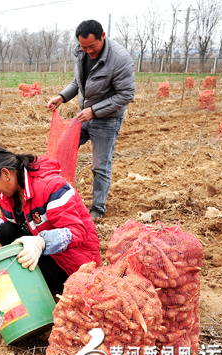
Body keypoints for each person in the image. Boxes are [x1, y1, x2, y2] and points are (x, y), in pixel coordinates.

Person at [0, 147, 101, 294]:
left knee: (19, 253)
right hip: (48, 255)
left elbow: (77, 232)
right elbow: (14, 221)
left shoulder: (51, 186)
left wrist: (41, 242)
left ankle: (59, 287)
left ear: (5, 173)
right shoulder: (8, 196)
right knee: (6, 230)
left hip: (72, 261)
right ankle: (39, 283)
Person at [47, 20, 135, 221]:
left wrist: (94, 111)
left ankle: (97, 209)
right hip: (83, 115)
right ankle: (58, 198)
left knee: (100, 166)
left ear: (102, 36)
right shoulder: (81, 53)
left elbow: (126, 94)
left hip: (106, 119)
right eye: (83, 47)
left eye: (92, 46)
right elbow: (79, 82)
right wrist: (62, 97)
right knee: (61, 150)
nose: (88, 51)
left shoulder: (120, 59)